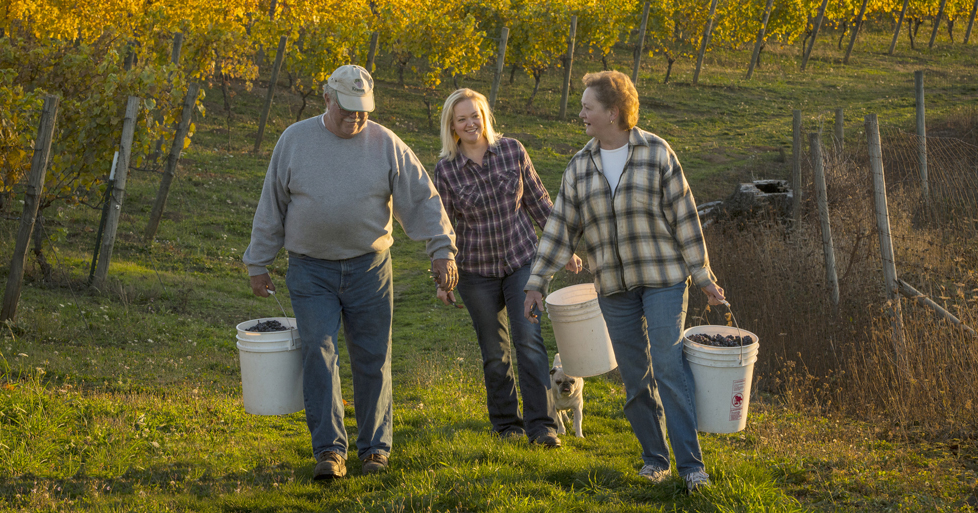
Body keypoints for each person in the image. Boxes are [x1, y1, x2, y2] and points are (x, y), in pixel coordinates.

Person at [242, 65, 458, 481]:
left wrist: (442, 250)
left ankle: (375, 448)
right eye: (347, 110)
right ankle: (329, 450)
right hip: (310, 269)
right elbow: (272, 204)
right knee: (319, 355)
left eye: (363, 111)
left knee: (373, 358)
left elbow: (423, 198)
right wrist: (258, 261)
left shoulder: (385, 144)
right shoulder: (294, 141)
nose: (356, 118)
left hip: (369, 268)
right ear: (327, 99)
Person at [522, 71, 726, 494]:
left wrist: (703, 276)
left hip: (664, 278)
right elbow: (560, 228)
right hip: (613, 286)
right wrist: (536, 282)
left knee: (669, 369)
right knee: (635, 377)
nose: (581, 114)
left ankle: (691, 466)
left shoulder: (657, 153)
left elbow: (685, 218)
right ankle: (656, 459)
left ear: (612, 113)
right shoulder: (580, 165)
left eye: (587, 107)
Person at [432, 88, 581, 447]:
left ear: (486, 117)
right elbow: (443, 227)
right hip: (475, 273)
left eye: (475, 115)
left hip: (521, 262)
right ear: (452, 127)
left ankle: (542, 426)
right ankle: (507, 425)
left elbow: (539, 200)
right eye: (462, 118)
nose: (471, 123)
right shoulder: (447, 170)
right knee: (494, 353)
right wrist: (443, 279)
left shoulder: (512, 151)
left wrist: (562, 248)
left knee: (529, 342)